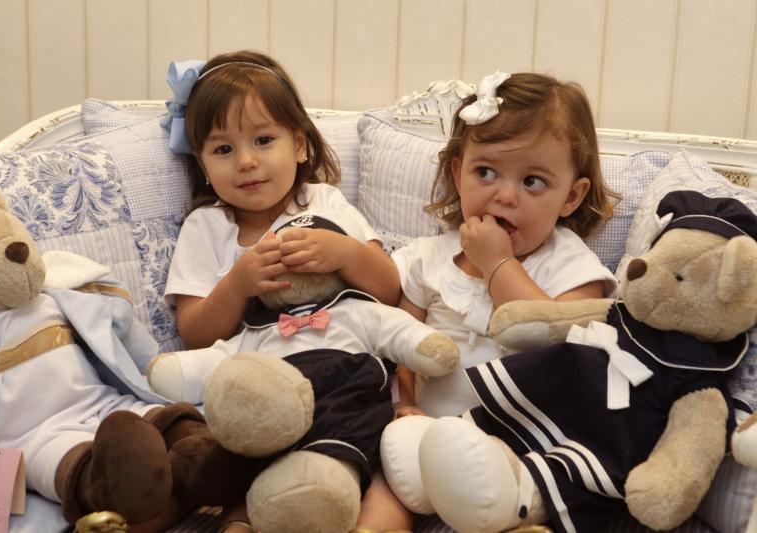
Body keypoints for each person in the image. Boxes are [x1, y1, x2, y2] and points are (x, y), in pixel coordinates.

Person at [160, 50, 408, 533]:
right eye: (223, 149)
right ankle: (239, 521)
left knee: (378, 458)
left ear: (298, 144)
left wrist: (345, 254)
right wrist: (237, 284)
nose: (246, 162)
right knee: (239, 456)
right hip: (260, 386)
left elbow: (388, 289)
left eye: (263, 140)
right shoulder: (207, 226)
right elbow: (194, 333)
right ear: (202, 165)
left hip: (342, 372)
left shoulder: (325, 202)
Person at [381, 71, 618, 530]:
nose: (505, 196)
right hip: (428, 438)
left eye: (533, 181)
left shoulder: (571, 267)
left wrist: (497, 264)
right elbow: (396, 345)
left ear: (571, 197)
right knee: (385, 472)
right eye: (485, 172)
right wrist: (402, 403)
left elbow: (558, 342)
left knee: (544, 482)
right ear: (458, 172)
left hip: (525, 445)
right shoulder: (428, 258)